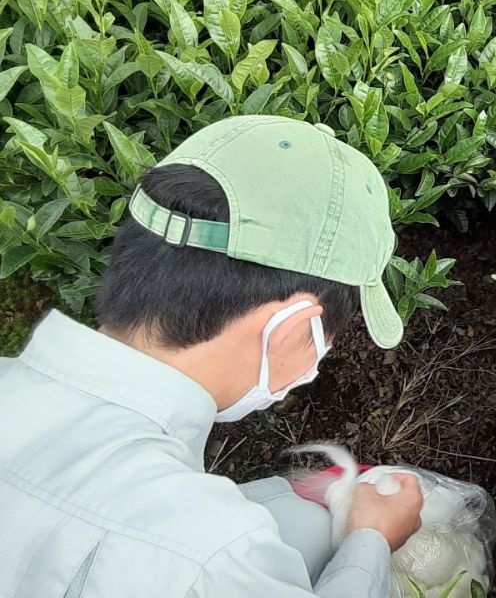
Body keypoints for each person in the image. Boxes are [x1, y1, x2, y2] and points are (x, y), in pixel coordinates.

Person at [0, 116, 423, 597]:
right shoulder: (214, 557)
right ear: (288, 330)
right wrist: (370, 540)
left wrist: (280, 495)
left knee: (298, 518)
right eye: (328, 337)